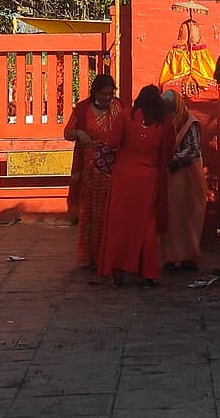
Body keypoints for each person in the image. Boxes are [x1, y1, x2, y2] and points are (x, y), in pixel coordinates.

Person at [97, 84, 174, 287]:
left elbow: (110, 144)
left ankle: (117, 272)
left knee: (119, 226)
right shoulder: (165, 123)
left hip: (123, 178)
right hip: (149, 180)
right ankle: (149, 274)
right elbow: (169, 152)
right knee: (147, 227)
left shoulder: (124, 116)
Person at [63, 72, 125, 268]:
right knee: (91, 214)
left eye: (110, 93)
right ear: (95, 93)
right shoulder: (82, 109)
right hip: (90, 170)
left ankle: (112, 255)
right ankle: (91, 256)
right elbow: (67, 133)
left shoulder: (119, 106)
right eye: (104, 94)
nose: (108, 97)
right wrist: (80, 133)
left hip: (114, 167)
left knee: (112, 213)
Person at [161, 88, 206, 271]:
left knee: (189, 215)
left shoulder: (190, 122)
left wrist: (174, 159)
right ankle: (172, 256)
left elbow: (193, 149)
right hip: (171, 176)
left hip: (188, 175)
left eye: (170, 107)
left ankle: (189, 255)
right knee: (171, 216)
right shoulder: (166, 122)